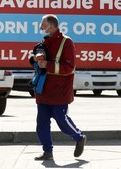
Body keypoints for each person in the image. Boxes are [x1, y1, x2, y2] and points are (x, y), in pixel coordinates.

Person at [29, 14, 86, 161]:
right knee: (41, 124)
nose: (41, 28)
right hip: (43, 90)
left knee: (62, 120)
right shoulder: (44, 42)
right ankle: (47, 151)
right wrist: (34, 60)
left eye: (43, 25)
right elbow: (38, 62)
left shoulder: (67, 42)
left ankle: (79, 138)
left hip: (59, 91)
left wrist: (47, 64)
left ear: (51, 26)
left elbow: (69, 67)